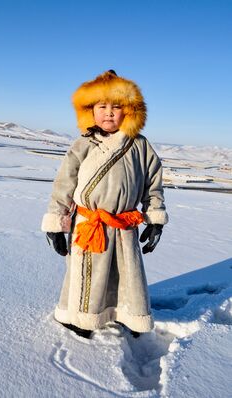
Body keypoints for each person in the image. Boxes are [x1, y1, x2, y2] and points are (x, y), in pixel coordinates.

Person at [41, 70, 168, 339]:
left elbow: (153, 185)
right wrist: (55, 223)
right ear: (90, 111)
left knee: (126, 274)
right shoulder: (82, 144)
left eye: (116, 107)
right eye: (102, 107)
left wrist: (155, 220)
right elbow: (64, 185)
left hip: (124, 226)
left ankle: (126, 315)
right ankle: (80, 319)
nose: (108, 113)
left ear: (130, 112)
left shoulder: (140, 146)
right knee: (87, 274)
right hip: (88, 225)